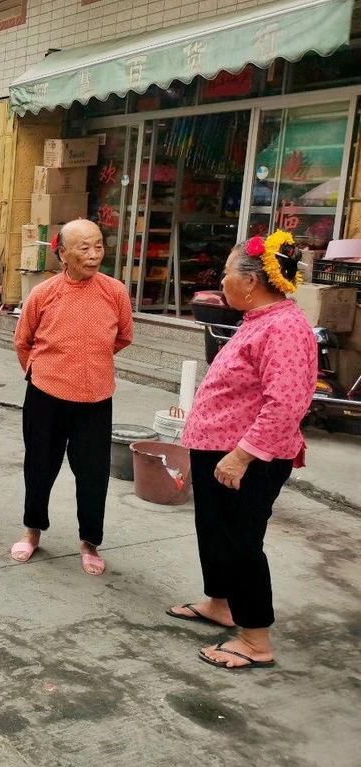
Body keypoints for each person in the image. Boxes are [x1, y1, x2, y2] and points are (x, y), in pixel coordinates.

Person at [169, 232, 316, 670]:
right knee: (215, 532)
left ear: (252, 281)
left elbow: (286, 402)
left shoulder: (286, 328)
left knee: (240, 542)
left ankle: (255, 640)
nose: (223, 281)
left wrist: (243, 454)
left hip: (246, 458)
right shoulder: (259, 319)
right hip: (218, 450)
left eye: (228, 272)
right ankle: (221, 603)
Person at [10, 219, 133, 576]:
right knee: (39, 465)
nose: (94, 255)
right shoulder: (44, 293)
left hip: (96, 397)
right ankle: (32, 531)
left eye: (98, 246)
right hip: (46, 394)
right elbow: (23, 341)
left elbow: (123, 336)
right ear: (62, 253)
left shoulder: (115, 292)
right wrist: (44, 371)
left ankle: (89, 542)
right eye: (84, 248)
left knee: (94, 473)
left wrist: (89, 362)